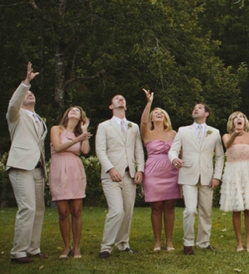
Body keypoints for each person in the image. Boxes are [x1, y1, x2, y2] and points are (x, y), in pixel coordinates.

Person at [5, 62, 48, 264]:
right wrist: (26, 84)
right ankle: (18, 252)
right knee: (27, 208)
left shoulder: (39, 119)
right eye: (27, 95)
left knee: (39, 209)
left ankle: (33, 247)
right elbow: (14, 103)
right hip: (21, 166)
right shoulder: (15, 115)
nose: (30, 96)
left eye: (32, 94)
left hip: (38, 169)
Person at [169, 103, 225, 255]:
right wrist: (174, 159)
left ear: (206, 113)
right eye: (194, 107)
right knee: (190, 209)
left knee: (206, 211)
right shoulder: (183, 130)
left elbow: (220, 156)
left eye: (200, 108)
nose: (195, 109)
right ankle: (188, 243)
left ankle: (203, 242)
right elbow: (173, 150)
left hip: (207, 177)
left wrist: (217, 177)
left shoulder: (214, 132)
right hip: (188, 175)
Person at [95, 94, 145, 259]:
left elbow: (139, 150)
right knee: (116, 211)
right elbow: (100, 150)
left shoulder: (134, 126)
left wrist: (140, 170)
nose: (120, 99)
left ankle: (123, 244)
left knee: (128, 212)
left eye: (123, 98)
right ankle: (106, 247)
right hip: (111, 176)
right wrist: (110, 169)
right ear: (111, 106)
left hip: (130, 175)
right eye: (116, 98)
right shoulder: (104, 126)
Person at [140, 89, 179, 252]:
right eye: (155, 112)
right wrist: (149, 103)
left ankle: (169, 241)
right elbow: (142, 123)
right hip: (153, 173)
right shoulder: (147, 133)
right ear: (151, 117)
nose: (158, 113)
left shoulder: (175, 133)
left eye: (161, 112)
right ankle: (157, 241)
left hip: (171, 172)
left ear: (166, 117)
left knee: (170, 206)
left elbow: (179, 154)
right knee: (156, 207)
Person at [48, 106, 91, 259]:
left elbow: (85, 151)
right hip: (59, 170)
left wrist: (83, 131)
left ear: (81, 117)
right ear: (66, 114)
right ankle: (67, 246)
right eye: (71, 109)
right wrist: (77, 140)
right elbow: (58, 147)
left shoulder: (80, 134)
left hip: (75, 171)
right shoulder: (56, 129)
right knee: (63, 212)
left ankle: (77, 247)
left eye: (78, 111)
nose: (74, 111)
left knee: (76, 211)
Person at [220, 111, 249, 253]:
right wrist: (234, 135)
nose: (239, 119)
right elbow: (227, 145)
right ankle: (239, 242)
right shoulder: (226, 136)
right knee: (236, 209)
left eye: (242, 117)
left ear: (245, 121)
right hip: (233, 173)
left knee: (248, 209)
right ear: (232, 122)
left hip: (247, 171)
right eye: (236, 118)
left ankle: (248, 241)